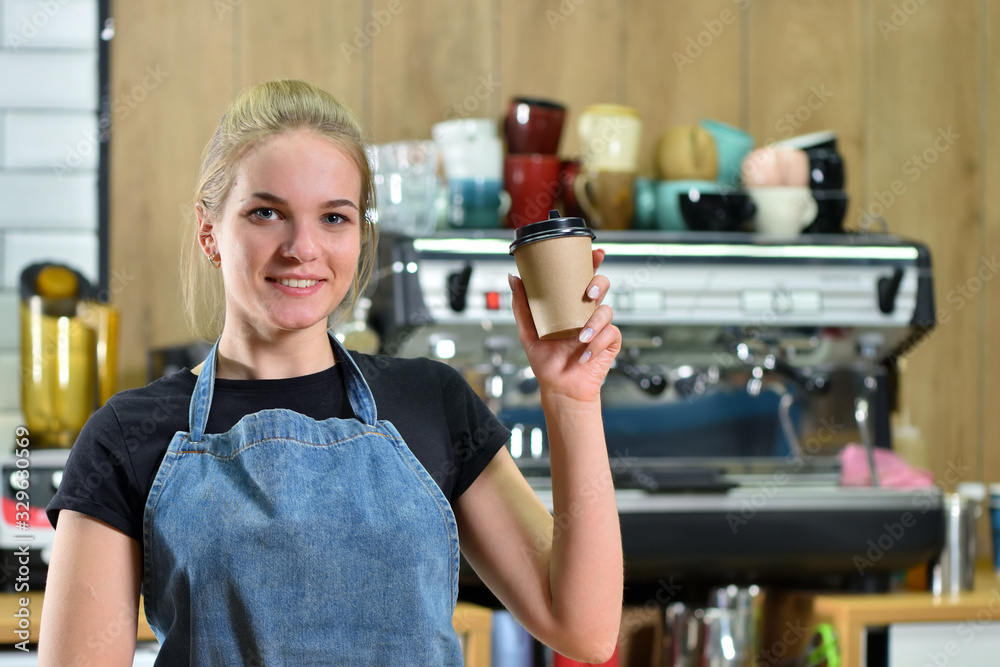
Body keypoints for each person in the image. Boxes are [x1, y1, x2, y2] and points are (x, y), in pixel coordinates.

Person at [38, 79, 623, 666]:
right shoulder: (127, 435)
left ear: (360, 233)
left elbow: (585, 630)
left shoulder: (432, 402)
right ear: (209, 230)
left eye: (334, 218)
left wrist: (571, 397)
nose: (303, 247)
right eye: (266, 213)